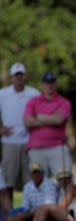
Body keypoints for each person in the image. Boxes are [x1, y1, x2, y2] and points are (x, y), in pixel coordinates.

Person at [0, 63, 40, 209]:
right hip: (9, 143)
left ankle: (30, 213)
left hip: (29, 142)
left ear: (25, 76)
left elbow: (40, 114)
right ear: (12, 77)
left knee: (29, 180)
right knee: (8, 182)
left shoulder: (34, 93)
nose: (19, 78)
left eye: (21, 75)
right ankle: (9, 215)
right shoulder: (3, 94)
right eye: (16, 75)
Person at [23, 71, 72, 178]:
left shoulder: (64, 102)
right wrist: (51, 118)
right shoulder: (32, 102)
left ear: (56, 84)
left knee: (65, 178)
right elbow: (27, 122)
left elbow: (59, 120)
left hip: (58, 147)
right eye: (47, 82)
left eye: (52, 82)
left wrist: (39, 117)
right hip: (36, 148)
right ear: (42, 84)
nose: (49, 85)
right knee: (38, 182)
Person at [7, 163, 76, 221]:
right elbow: (25, 206)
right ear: (30, 175)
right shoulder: (27, 187)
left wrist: (29, 212)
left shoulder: (49, 184)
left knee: (43, 209)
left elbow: (49, 205)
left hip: (47, 214)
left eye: (38, 172)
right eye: (34, 172)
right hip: (32, 213)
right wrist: (23, 214)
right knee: (11, 219)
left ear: (43, 173)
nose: (36, 174)